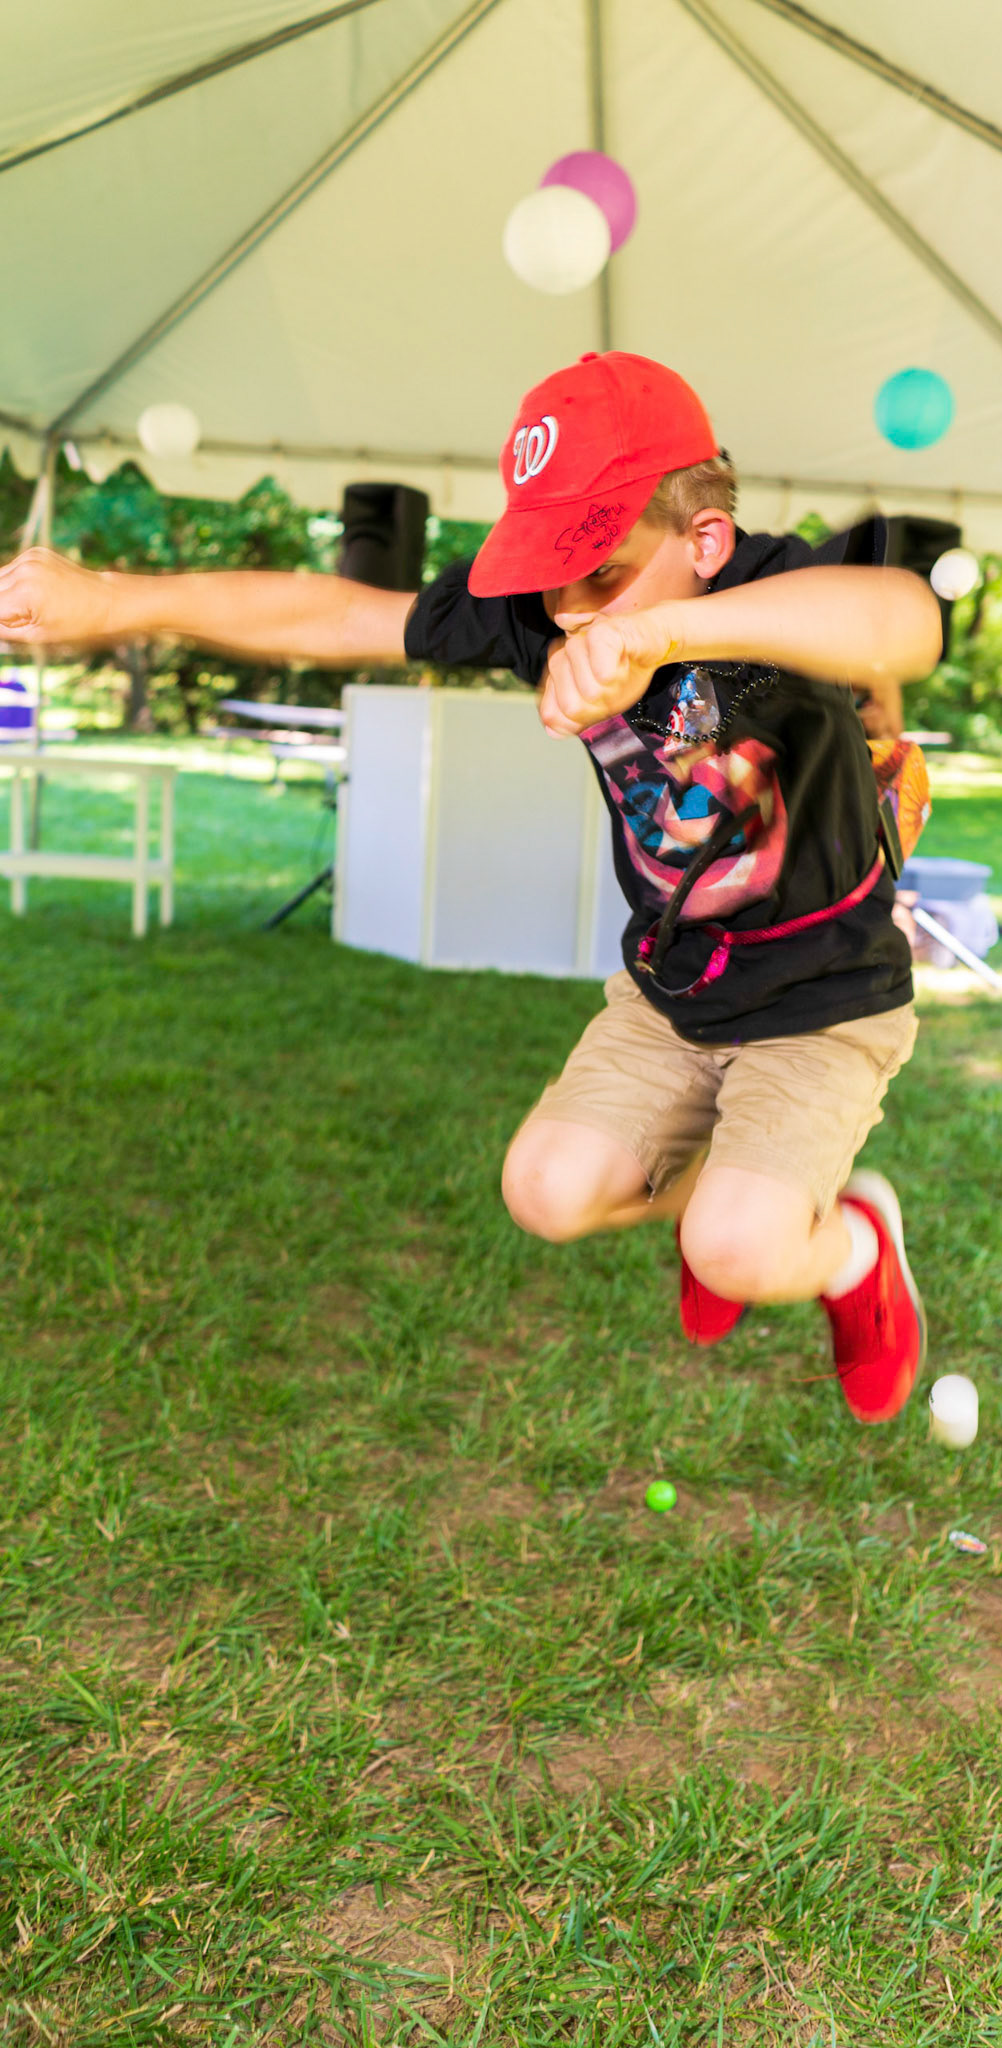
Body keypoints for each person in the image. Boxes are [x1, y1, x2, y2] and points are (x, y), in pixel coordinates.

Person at [0, 351, 942, 1422]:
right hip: (673, 987)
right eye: (554, 569)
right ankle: (729, 1204)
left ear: (706, 541)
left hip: (822, 1001)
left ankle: (853, 1244)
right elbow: (336, 616)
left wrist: (662, 633)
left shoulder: (769, 589)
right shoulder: (544, 613)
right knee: (543, 1190)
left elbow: (903, 616)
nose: (573, 611)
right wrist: (113, 601)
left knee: (738, 1244)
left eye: (603, 571)